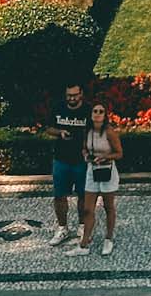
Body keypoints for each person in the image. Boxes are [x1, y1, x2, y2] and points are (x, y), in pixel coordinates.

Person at [79, 101, 124, 255]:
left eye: (101, 111)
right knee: (87, 208)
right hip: (92, 170)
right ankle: (84, 242)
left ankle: (108, 238)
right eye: (95, 111)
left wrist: (106, 157)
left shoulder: (109, 132)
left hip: (107, 171)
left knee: (108, 206)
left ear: (105, 115)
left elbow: (119, 153)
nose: (97, 114)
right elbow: (84, 148)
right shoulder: (88, 131)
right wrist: (86, 155)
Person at [48, 81, 90, 244]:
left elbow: (95, 131)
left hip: (81, 161)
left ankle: (82, 225)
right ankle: (62, 228)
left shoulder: (88, 110)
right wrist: (60, 132)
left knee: (83, 195)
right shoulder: (58, 108)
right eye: (69, 95)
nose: (72, 98)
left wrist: (87, 148)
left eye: (75, 95)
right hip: (61, 159)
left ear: (81, 94)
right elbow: (48, 128)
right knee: (59, 196)